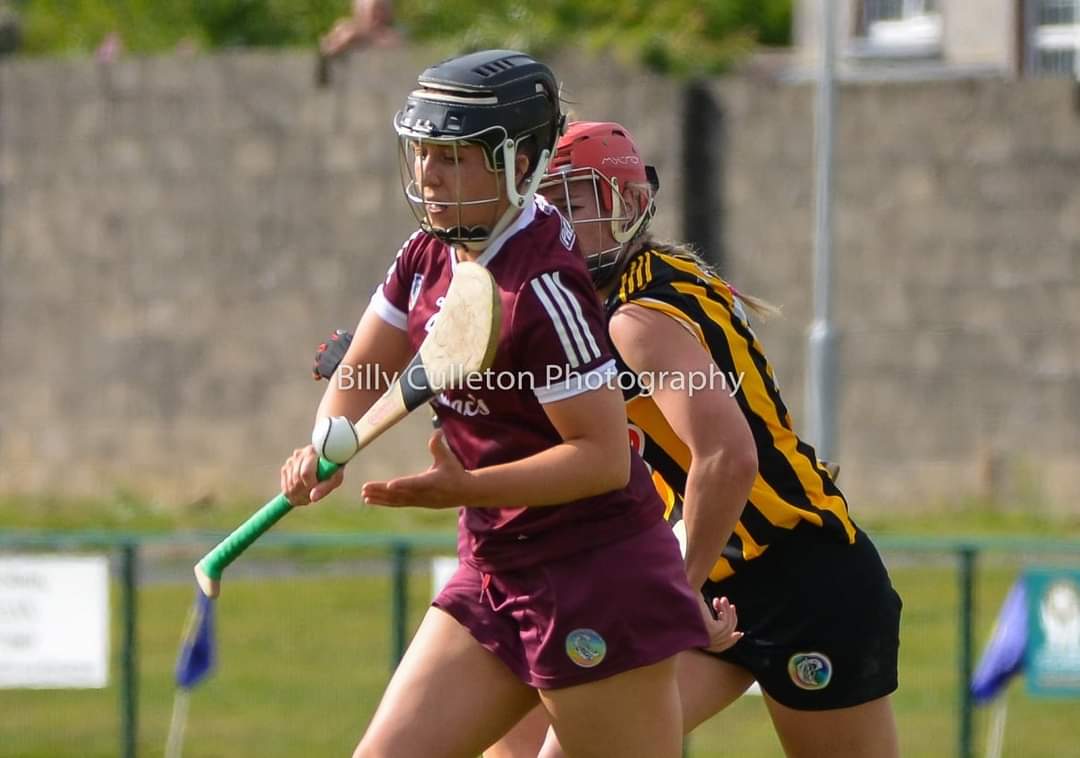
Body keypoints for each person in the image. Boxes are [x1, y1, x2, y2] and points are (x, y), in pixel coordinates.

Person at [315, 120, 903, 757]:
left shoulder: (634, 319)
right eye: (551, 202)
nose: (560, 220)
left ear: (624, 204)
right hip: (703, 564)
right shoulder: (595, 294)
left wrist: (676, 597)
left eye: (578, 202)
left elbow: (727, 459)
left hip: (803, 575)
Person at [283, 52, 720, 758]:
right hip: (492, 568)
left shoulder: (544, 287)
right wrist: (328, 442)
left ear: (521, 163)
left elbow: (603, 458)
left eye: (454, 156)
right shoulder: (427, 253)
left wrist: (466, 487)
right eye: (423, 151)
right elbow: (365, 366)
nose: (428, 173)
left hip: (594, 579)